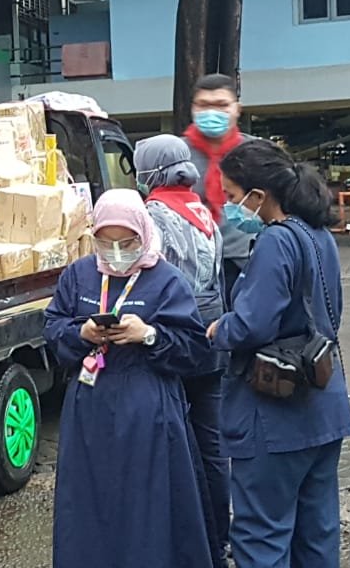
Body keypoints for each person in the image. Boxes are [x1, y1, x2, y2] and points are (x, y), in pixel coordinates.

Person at [43, 189, 214, 568]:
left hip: (147, 408)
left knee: (146, 501)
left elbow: (195, 349)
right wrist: (80, 333)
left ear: (144, 233)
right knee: (88, 499)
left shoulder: (167, 279)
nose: (117, 251)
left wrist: (149, 335)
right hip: (89, 408)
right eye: (107, 242)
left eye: (127, 242)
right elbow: (52, 326)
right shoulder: (79, 275)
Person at [204, 140, 350, 568]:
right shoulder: (318, 233)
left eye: (232, 196)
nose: (231, 207)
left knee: (261, 534)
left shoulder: (275, 241)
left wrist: (219, 328)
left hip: (274, 411)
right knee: (317, 531)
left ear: (258, 195)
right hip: (323, 404)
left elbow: (253, 323)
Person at [133, 135, 229, 565]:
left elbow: (157, 283)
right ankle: (220, 536)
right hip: (211, 338)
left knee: (176, 441)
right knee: (212, 444)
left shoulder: (153, 214)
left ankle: (187, 533)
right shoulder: (202, 209)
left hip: (175, 337)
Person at [183, 73, 253, 302]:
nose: (211, 112)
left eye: (221, 105)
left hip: (247, 260)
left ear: (237, 109)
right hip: (191, 265)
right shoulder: (175, 154)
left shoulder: (257, 153)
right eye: (204, 105)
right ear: (193, 108)